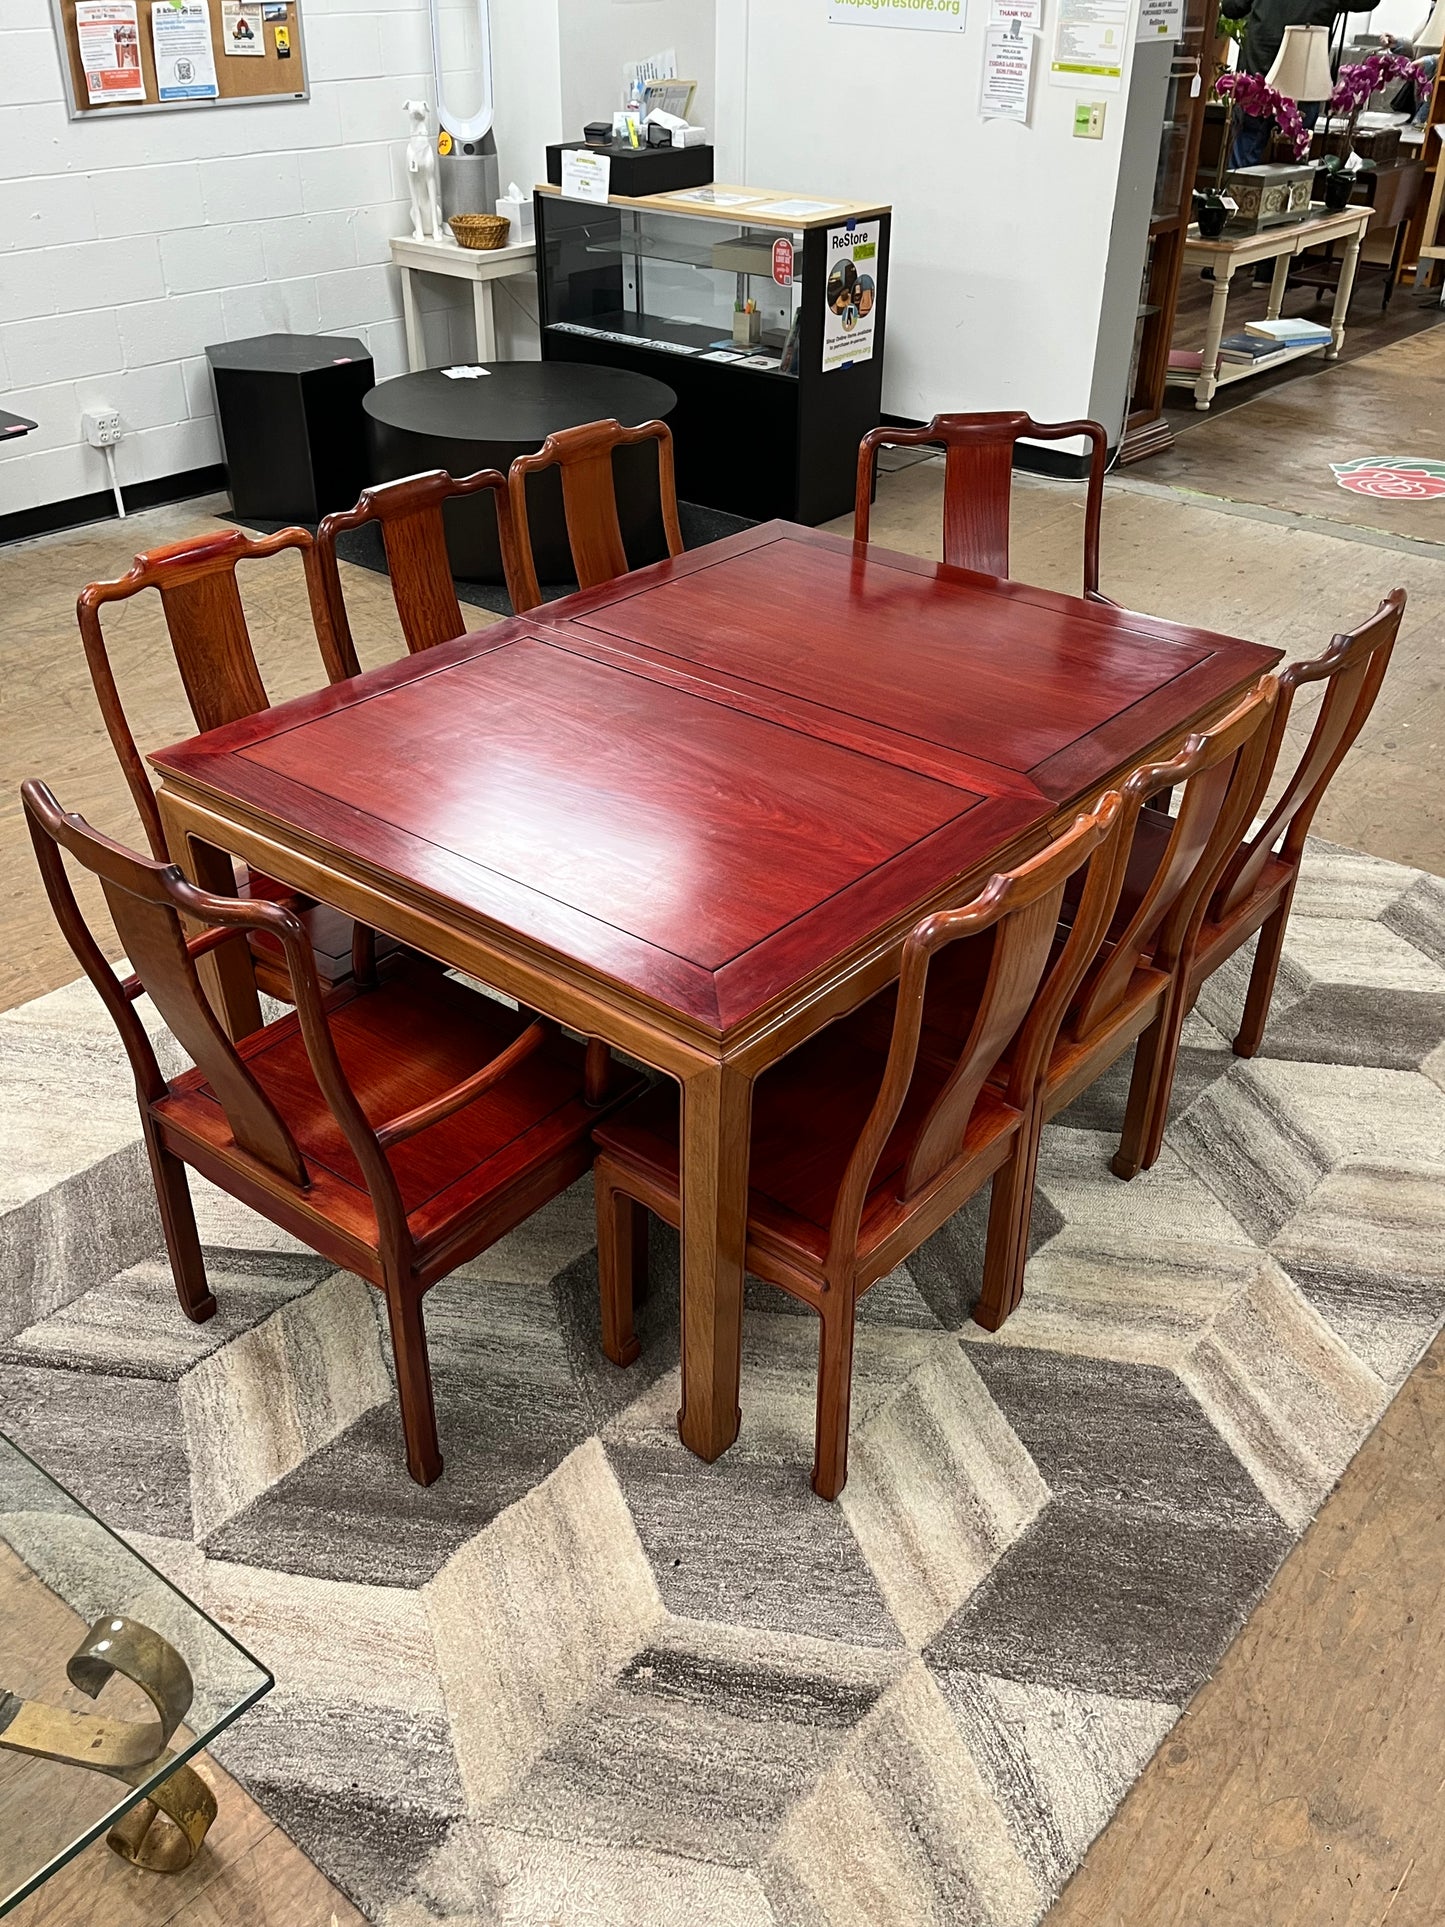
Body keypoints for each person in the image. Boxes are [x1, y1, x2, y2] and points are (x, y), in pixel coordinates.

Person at [1229, 0, 1382, 166]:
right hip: (1304, 82)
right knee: (1293, 163)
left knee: (1244, 155)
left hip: (1258, 73)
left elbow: (1231, 7)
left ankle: (1236, 191)